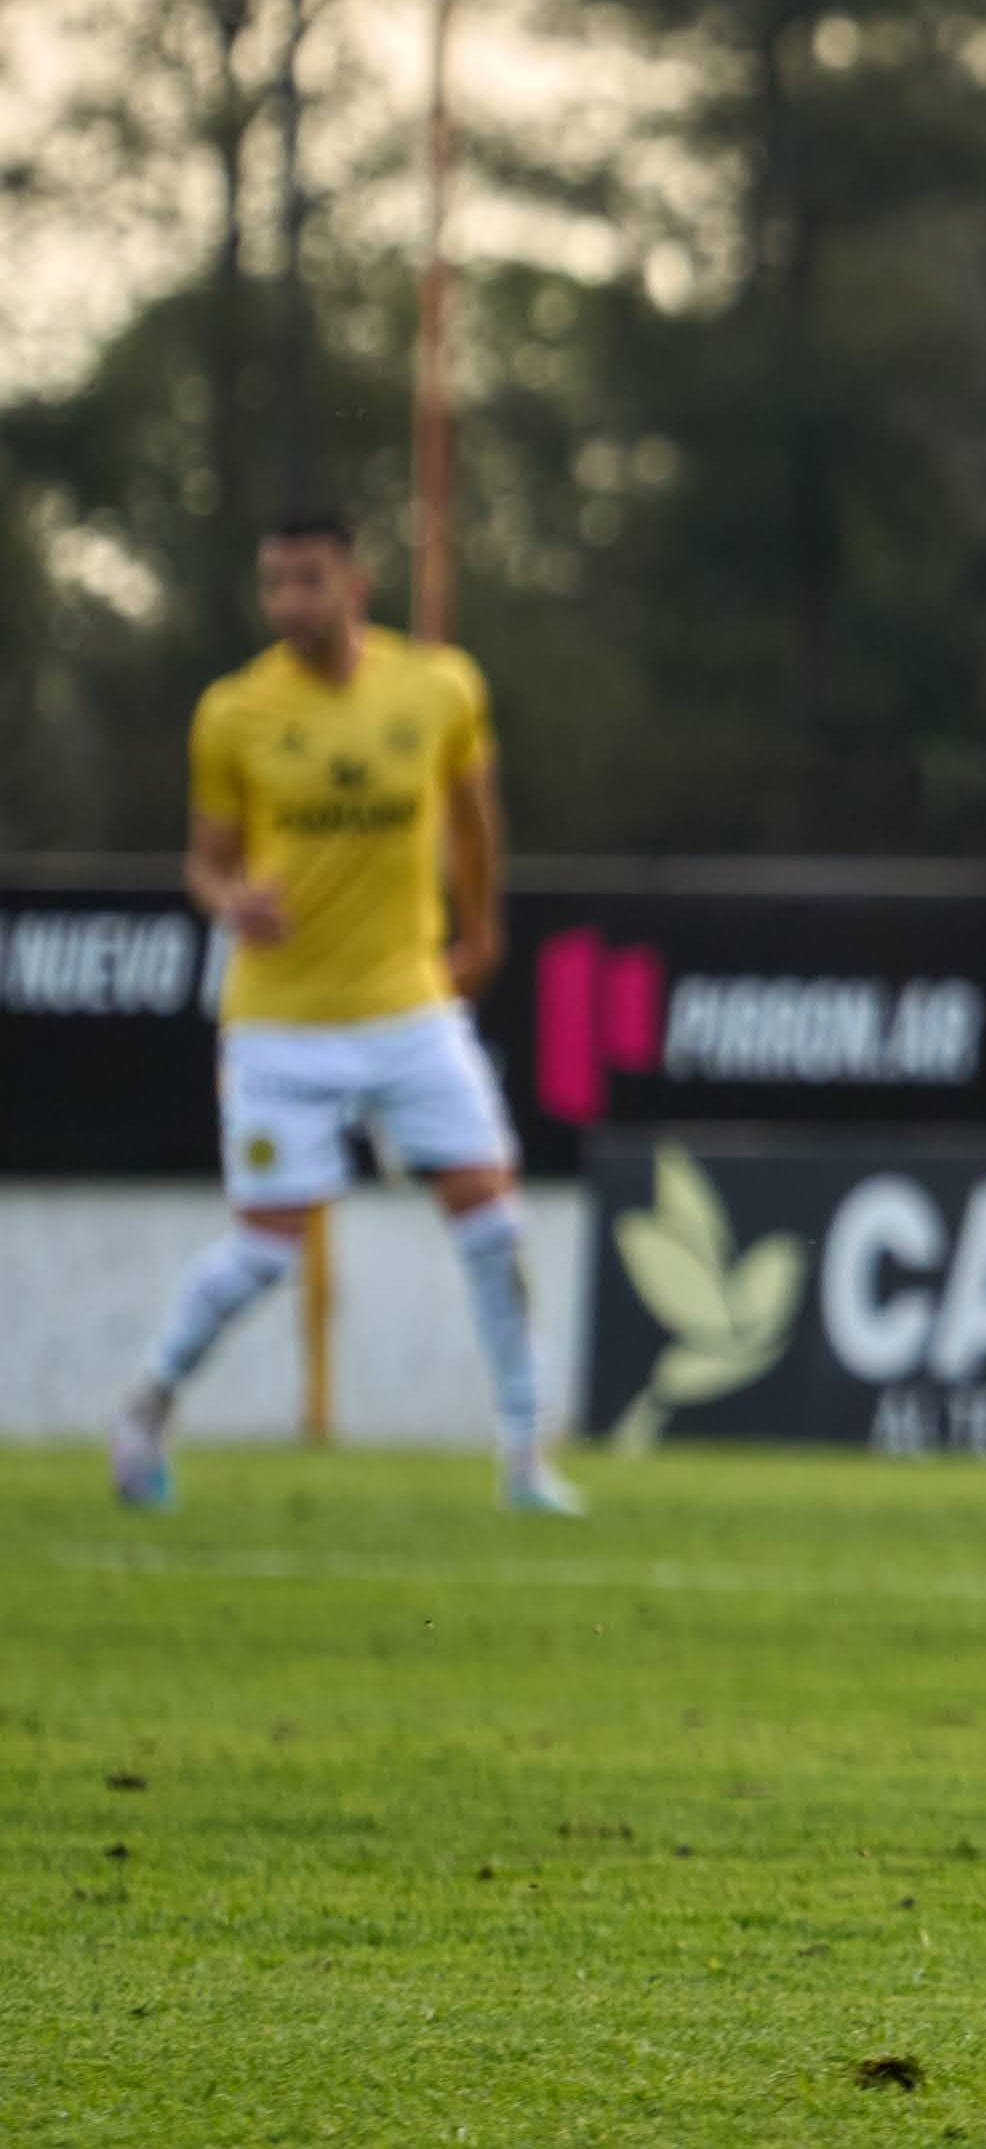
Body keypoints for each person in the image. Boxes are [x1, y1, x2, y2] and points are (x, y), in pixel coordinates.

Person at [111, 510, 581, 1517]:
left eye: (307, 580)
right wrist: (227, 898)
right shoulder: (233, 711)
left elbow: (473, 818)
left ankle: (526, 1461)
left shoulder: (440, 684)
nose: (289, 602)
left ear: (355, 584)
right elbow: (205, 857)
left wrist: (485, 930)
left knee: (496, 1222)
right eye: (274, 582)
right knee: (264, 1253)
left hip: (408, 1004)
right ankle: (148, 1405)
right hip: (281, 1020)